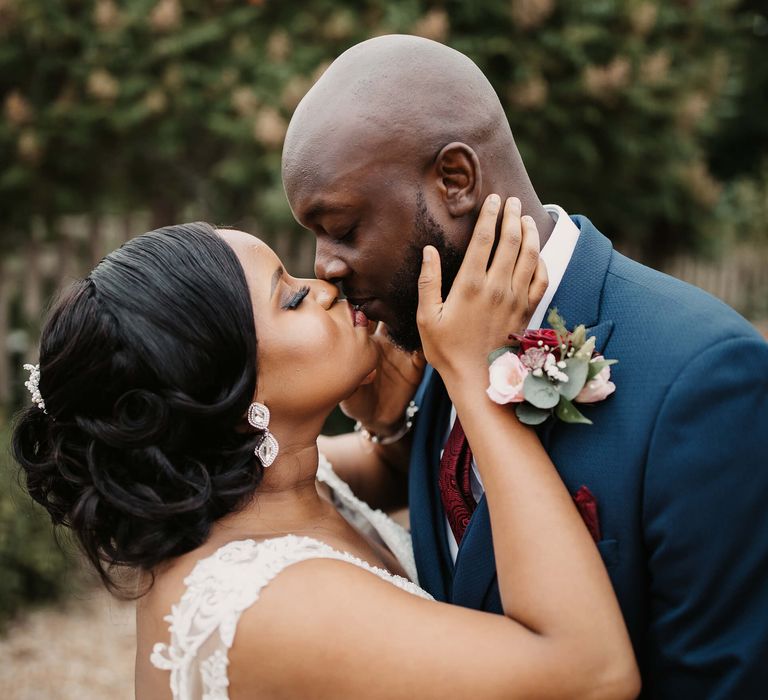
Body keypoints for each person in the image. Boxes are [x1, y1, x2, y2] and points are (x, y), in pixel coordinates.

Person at [282, 35, 768, 698]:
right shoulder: (431, 344)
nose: (325, 266)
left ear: (454, 180)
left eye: (340, 225)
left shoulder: (703, 377)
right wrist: (393, 431)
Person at [12, 210, 639, 699]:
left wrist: (389, 421)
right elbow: (591, 672)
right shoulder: (268, 605)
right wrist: (474, 375)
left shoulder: (269, 489)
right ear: (226, 396)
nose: (326, 285)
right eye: (290, 299)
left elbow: (394, 474)